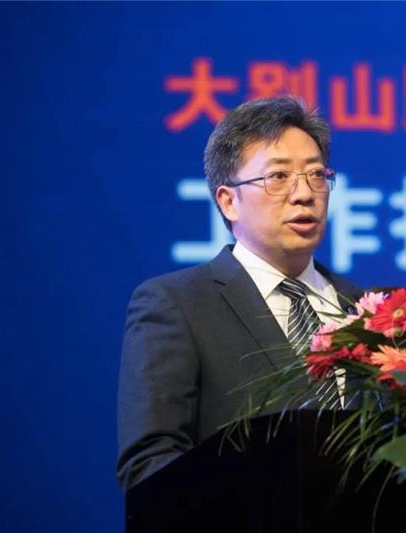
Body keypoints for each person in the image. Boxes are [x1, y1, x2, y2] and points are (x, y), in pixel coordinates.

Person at [116, 96, 360, 492]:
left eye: (317, 175)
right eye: (278, 176)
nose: (304, 193)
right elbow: (150, 463)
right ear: (229, 201)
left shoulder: (370, 309)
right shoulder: (177, 305)